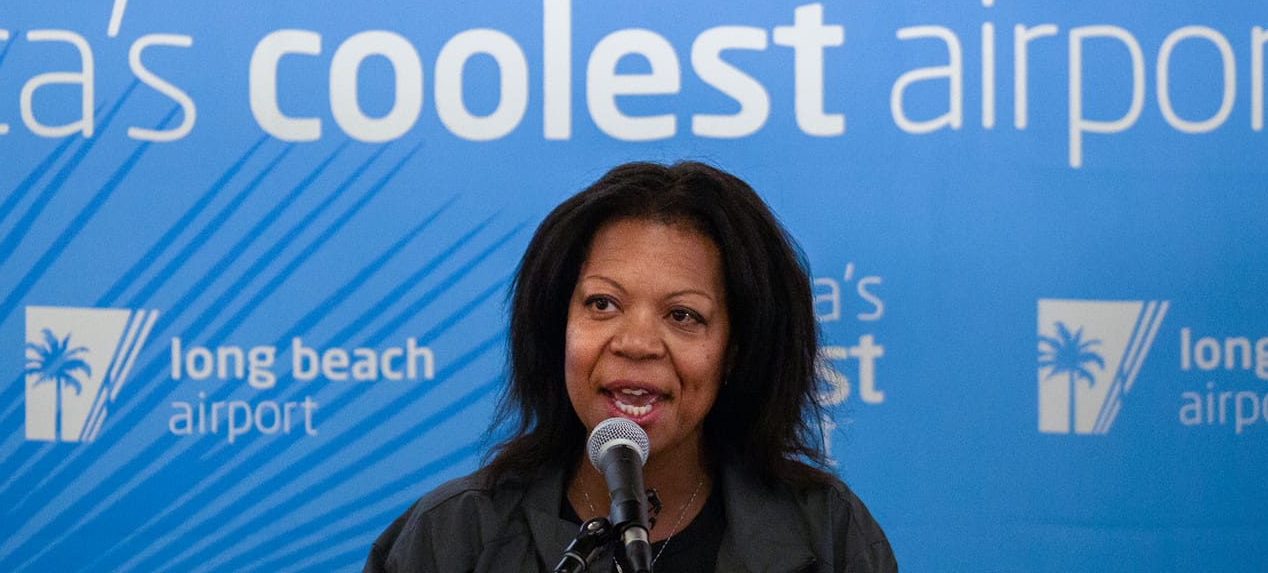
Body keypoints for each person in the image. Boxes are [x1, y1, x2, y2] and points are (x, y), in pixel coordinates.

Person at [366, 161, 896, 572]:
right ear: (559, 327)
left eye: (683, 315)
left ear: (735, 350)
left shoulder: (827, 536)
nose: (637, 343)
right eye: (602, 304)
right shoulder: (454, 535)